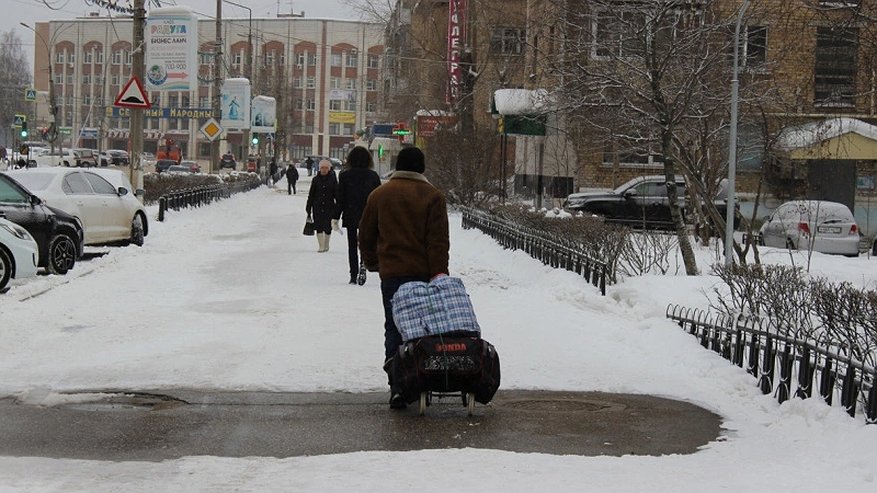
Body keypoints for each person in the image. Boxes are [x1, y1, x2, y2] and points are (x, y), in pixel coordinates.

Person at [358, 147, 449, 409]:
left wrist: (374, 262)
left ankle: (397, 384)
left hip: (393, 275)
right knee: (424, 328)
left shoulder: (379, 195)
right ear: (421, 168)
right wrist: (439, 274)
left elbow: (365, 235)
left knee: (394, 326)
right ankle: (420, 377)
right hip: (424, 275)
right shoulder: (433, 197)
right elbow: (438, 242)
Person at [334, 147, 381, 285]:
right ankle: (363, 264)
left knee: (352, 244)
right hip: (368, 214)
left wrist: (336, 216)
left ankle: (353, 273)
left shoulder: (344, 175)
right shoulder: (373, 176)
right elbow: (378, 197)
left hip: (350, 213)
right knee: (366, 242)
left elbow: (340, 198)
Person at [306, 159, 338, 252]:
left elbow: (337, 194)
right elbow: (311, 194)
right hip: (317, 206)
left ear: (329, 169)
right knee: (318, 226)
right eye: (322, 168)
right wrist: (308, 207)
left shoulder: (333, 180)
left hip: (329, 206)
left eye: (326, 168)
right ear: (319, 169)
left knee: (328, 227)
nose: (324, 170)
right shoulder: (315, 180)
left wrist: (338, 206)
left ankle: (326, 244)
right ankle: (321, 246)